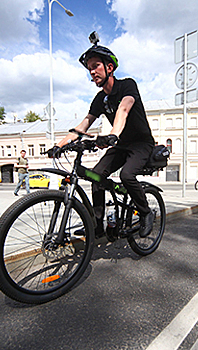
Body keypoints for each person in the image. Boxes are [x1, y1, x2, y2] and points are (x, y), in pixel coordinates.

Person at [48, 34, 155, 239]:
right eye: (89, 68)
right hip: (121, 145)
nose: (92, 71)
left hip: (141, 144)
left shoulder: (127, 85)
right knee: (96, 177)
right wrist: (59, 145)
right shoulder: (100, 98)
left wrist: (112, 134)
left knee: (126, 176)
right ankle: (97, 225)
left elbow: (124, 109)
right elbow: (84, 124)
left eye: (96, 65)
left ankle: (145, 212)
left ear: (110, 67)